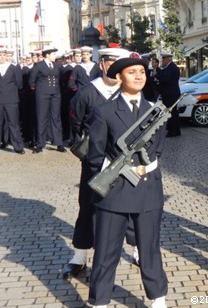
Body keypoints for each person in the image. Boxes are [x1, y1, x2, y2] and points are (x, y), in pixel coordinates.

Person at [87, 52, 168, 308]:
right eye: (132, 72)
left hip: (148, 189)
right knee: (106, 251)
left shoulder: (156, 112)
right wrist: (110, 178)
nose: (138, 76)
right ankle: (99, 300)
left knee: (150, 248)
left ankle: (157, 297)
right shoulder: (104, 111)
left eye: (142, 72)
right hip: (115, 191)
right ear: (119, 77)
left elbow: (158, 150)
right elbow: (94, 156)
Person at [61, 44, 132, 279]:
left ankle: (138, 250)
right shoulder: (87, 93)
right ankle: (79, 256)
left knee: (133, 207)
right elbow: (75, 126)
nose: (113, 68)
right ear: (101, 64)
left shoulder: (130, 90)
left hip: (126, 162)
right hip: (96, 164)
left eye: (118, 64)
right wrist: (90, 156)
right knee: (88, 207)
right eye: (109, 63)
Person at [0, 45, 25, 155]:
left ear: (7, 56)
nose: (2, 57)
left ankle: (18, 147)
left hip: (11, 100)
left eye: (4, 55)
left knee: (14, 124)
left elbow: (19, 83)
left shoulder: (13, 67)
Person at [28, 45, 66, 153]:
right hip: (42, 94)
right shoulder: (39, 66)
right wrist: (37, 90)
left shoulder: (56, 65)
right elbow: (32, 81)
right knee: (42, 118)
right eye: (53, 54)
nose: (55, 56)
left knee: (56, 118)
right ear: (47, 55)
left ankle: (58, 142)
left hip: (55, 94)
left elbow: (62, 76)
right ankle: (40, 144)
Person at [156, 52, 181, 137]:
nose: (162, 61)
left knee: (172, 113)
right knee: (173, 112)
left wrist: (157, 75)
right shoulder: (170, 67)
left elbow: (164, 78)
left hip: (170, 94)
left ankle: (173, 131)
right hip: (170, 93)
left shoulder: (171, 68)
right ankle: (175, 130)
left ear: (167, 59)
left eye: (163, 59)